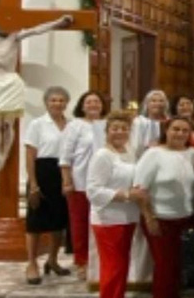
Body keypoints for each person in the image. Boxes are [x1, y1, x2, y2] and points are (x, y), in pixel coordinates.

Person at [0, 14, 72, 172]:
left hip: (10, 83)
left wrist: (58, 22)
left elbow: (36, 30)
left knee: (7, 123)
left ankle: (4, 154)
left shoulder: (13, 39)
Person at [133, 117, 194, 298]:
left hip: (187, 218)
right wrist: (149, 217)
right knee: (165, 267)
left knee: (179, 266)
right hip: (160, 219)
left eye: (184, 130)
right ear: (167, 130)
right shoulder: (153, 154)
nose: (180, 134)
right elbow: (139, 189)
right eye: (175, 129)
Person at [86, 111, 142, 298]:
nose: (120, 132)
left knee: (122, 264)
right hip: (108, 218)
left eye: (124, 128)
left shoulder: (129, 152)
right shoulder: (102, 155)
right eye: (115, 128)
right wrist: (126, 194)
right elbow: (93, 191)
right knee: (113, 266)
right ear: (107, 131)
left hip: (128, 216)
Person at [24, 86, 71, 285]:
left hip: (63, 173)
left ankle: (52, 260)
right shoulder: (37, 124)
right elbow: (29, 155)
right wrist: (33, 185)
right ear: (46, 102)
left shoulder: (71, 125)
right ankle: (32, 263)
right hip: (42, 172)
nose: (57, 103)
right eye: (53, 100)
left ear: (66, 103)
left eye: (61, 100)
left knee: (59, 221)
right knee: (35, 222)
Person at [60, 90, 108, 280]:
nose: (93, 105)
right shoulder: (74, 126)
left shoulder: (106, 125)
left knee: (101, 222)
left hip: (103, 182)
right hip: (80, 181)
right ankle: (82, 262)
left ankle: (99, 260)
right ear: (82, 105)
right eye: (89, 102)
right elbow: (65, 156)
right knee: (80, 224)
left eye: (97, 101)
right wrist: (67, 181)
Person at [130, 90, 169, 159]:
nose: (157, 103)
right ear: (147, 104)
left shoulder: (170, 122)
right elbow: (134, 144)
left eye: (161, 101)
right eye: (153, 101)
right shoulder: (139, 122)